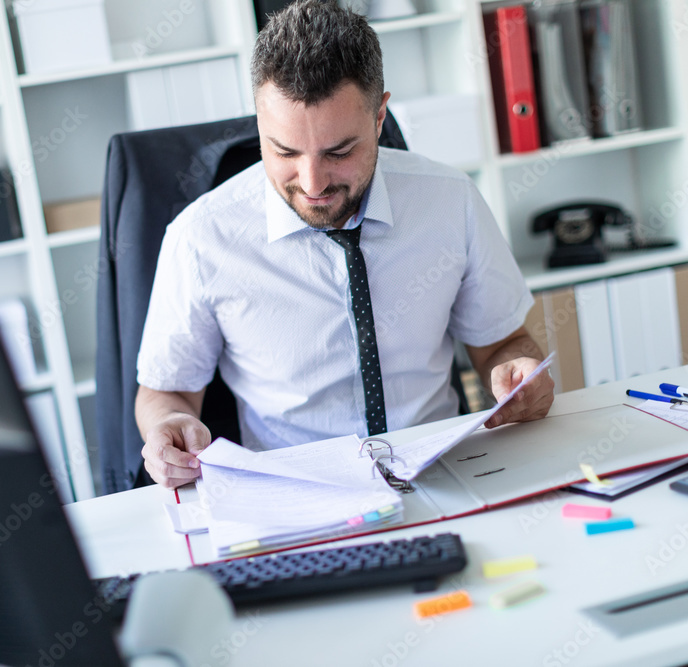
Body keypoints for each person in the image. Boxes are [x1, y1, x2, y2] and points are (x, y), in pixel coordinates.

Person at [135, 0, 554, 489]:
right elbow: (167, 393)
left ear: (379, 117)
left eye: (339, 151)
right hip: (295, 497)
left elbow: (502, 342)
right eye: (284, 151)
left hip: (444, 477)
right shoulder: (202, 238)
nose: (312, 182)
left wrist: (519, 377)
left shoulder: (450, 200)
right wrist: (166, 427)